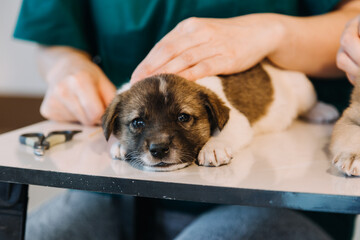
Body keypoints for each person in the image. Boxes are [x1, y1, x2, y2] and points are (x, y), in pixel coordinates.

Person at [13, 0, 360, 239]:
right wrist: (66, 66)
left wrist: (275, 31)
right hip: (118, 190)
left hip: (279, 191)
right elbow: (53, 33)